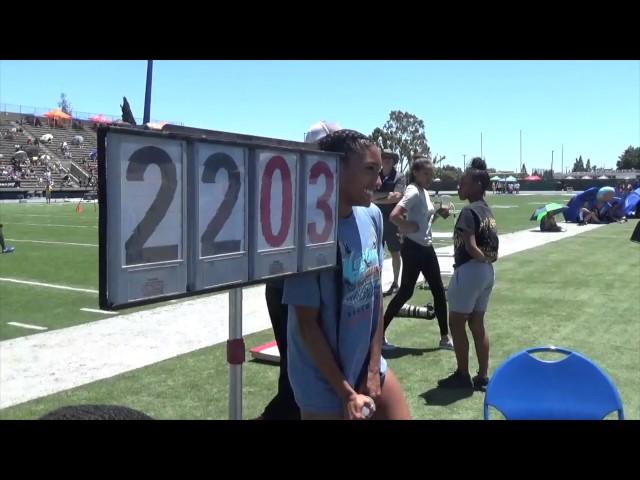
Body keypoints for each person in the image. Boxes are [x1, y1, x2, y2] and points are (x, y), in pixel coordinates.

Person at [283, 129, 411, 420]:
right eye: (369, 170)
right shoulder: (308, 231)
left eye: (379, 172)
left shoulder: (373, 217)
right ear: (334, 167)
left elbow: (375, 296)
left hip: (366, 365)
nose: (378, 182)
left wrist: (373, 368)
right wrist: (346, 394)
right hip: (321, 380)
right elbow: (307, 325)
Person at [257, 121, 342, 421]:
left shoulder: (304, 181)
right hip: (288, 288)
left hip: (294, 286)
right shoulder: (305, 184)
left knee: (296, 372)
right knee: (297, 373)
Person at [439, 157, 499, 391]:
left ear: (476, 184)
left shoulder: (468, 211)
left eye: (463, 182)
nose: (459, 186)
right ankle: (482, 376)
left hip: (470, 269)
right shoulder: (487, 211)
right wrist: (486, 260)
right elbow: (491, 245)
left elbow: (471, 246)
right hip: (486, 272)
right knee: (477, 323)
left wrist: (479, 257)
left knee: (456, 322)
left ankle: (462, 374)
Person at [381, 155, 452, 351]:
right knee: (405, 292)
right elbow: (395, 215)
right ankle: (378, 335)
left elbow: (424, 223)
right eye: (426, 173)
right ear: (416, 173)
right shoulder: (413, 191)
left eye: (432, 174)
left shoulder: (424, 191)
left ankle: (444, 338)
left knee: (438, 290)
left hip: (426, 247)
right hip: (413, 249)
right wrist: (406, 227)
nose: (430, 177)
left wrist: (437, 214)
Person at [373, 149, 405, 297]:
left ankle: (395, 282)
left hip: (392, 221)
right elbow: (369, 195)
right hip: (375, 220)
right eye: (383, 157)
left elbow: (398, 197)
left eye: (389, 158)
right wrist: (387, 195)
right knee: (375, 253)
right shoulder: (375, 175)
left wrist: (377, 198)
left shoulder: (399, 177)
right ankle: (375, 282)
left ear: (394, 161)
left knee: (394, 252)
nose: (386, 160)